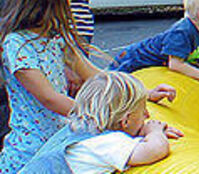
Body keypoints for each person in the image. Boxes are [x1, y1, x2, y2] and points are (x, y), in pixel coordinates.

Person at [0, 0, 176, 172]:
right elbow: (49, 98)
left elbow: (94, 74)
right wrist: (107, 117)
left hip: (61, 138)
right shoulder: (17, 45)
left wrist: (142, 95)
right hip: (30, 151)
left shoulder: (54, 35)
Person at [21, 71, 183, 174]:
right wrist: (154, 132)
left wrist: (141, 132)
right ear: (125, 120)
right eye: (143, 112)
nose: (147, 116)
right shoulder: (107, 143)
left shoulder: (79, 130)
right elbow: (154, 150)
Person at [109, 0, 199, 94]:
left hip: (143, 62)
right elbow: (175, 64)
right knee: (110, 86)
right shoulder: (182, 32)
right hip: (131, 60)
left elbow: (196, 58)